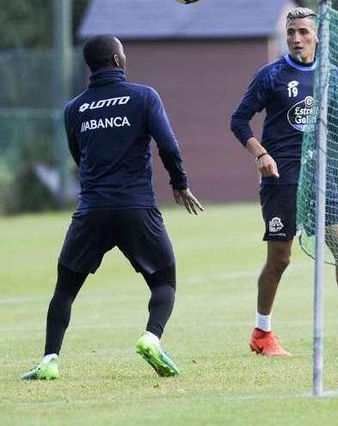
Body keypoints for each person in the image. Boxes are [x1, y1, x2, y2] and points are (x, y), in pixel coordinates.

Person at [21, 35, 204, 380]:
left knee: (64, 290)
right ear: (118, 61)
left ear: (90, 66)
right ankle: (151, 338)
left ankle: (49, 360)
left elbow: (79, 157)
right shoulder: (144, 96)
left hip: (91, 210)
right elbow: (168, 145)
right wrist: (179, 183)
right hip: (136, 206)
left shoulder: (74, 108)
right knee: (164, 283)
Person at [230, 7, 338, 356]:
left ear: (317, 35)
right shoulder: (270, 76)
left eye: (302, 31)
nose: (296, 38)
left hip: (320, 175)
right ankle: (262, 333)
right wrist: (260, 154)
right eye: (291, 32)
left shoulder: (330, 73)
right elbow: (238, 121)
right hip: (281, 178)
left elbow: (332, 116)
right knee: (280, 259)